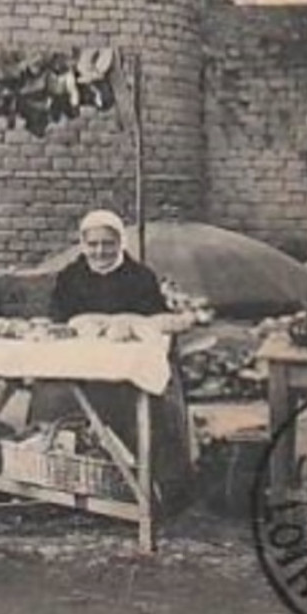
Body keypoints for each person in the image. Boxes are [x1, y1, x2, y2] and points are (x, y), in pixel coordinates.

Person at [30, 209, 194, 511]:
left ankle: (144, 485)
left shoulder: (140, 276)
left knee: (147, 399)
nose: (100, 251)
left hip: (125, 370)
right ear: (83, 243)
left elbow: (155, 321)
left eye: (108, 244)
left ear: (120, 243)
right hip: (82, 361)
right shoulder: (70, 276)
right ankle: (59, 476)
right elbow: (58, 318)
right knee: (53, 393)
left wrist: (128, 325)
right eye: (93, 244)